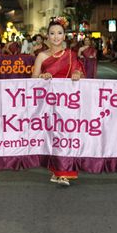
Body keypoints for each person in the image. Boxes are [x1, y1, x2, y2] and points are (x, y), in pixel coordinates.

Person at [31, 16, 85, 187]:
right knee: (52, 137)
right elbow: (32, 80)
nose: (56, 37)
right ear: (47, 36)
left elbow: (79, 72)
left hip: (68, 103)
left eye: (59, 33)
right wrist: (42, 76)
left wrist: (77, 75)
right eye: (52, 33)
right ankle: (56, 170)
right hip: (48, 103)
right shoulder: (41, 56)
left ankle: (64, 172)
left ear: (64, 35)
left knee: (66, 135)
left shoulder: (71, 55)